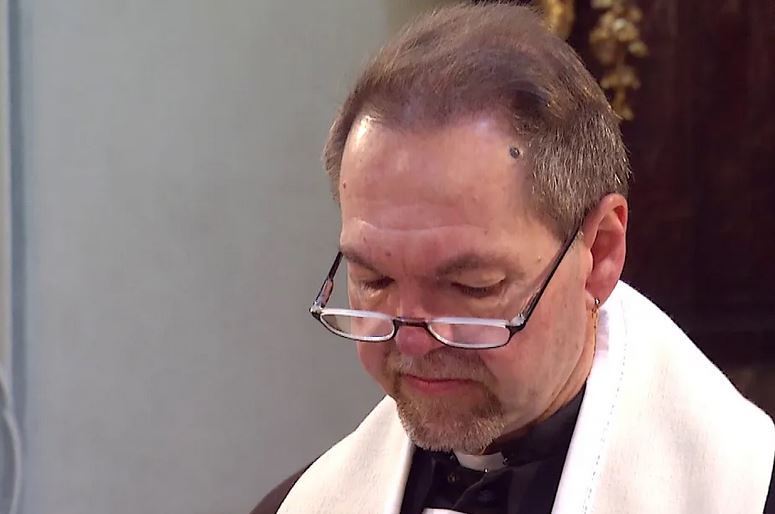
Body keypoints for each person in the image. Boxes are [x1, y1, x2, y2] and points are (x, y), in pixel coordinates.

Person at [253, 4, 775, 513]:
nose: (411, 340)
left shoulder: (740, 493)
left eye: (472, 287)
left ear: (600, 252)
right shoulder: (304, 503)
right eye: (374, 280)